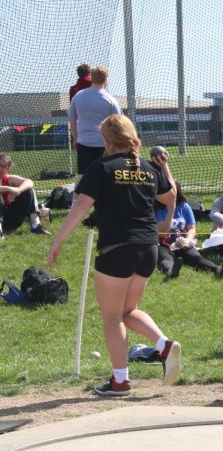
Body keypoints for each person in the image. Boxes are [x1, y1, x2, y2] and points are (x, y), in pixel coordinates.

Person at [46, 114, 181, 397]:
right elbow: (170, 196)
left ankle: (121, 381)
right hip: (148, 247)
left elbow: (81, 205)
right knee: (127, 311)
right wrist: (165, 174)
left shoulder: (101, 168)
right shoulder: (147, 168)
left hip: (116, 247)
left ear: (107, 140)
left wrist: (58, 240)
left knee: (111, 316)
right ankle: (163, 345)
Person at [154, 182, 223, 279]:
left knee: (196, 258)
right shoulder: (155, 209)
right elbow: (161, 234)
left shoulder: (184, 207)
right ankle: (171, 271)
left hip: (182, 243)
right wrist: (171, 210)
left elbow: (191, 229)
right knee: (166, 259)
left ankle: (218, 269)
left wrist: (187, 240)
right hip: (163, 244)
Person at [67, 66, 122, 181]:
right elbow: (118, 123)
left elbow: (72, 119)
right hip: (105, 145)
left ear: (91, 78)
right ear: (106, 79)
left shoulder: (78, 95)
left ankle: (78, 199)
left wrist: (75, 138)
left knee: (83, 178)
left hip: (84, 143)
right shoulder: (111, 99)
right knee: (105, 178)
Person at [0, 153, 51, 238]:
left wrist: (18, 190)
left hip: (11, 218)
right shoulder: (8, 184)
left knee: (28, 191)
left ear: (8, 168)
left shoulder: (8, 178)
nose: (0, 168)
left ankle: (36, 225)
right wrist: (9, 189)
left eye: (3, 166)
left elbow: (29, 182)